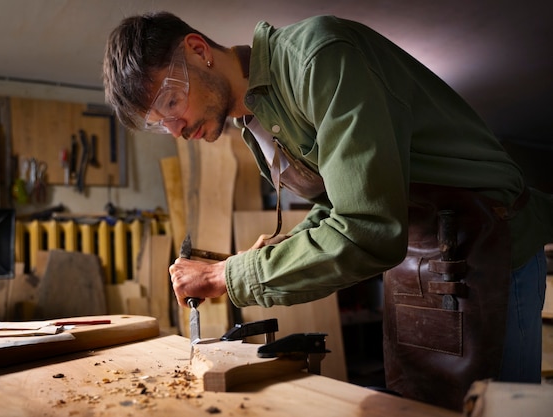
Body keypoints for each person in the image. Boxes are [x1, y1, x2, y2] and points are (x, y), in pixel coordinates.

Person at [103, 12, 553, 411]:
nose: (177, 130)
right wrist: (255, 262)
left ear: (198, 51)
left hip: (492, 245)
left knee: (501, 408)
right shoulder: (256, 123)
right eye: (162, 125)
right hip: (417, 257)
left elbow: (368, 228)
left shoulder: (320, 58)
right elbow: (341, 207)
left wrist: (227, 276)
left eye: (171, 104)